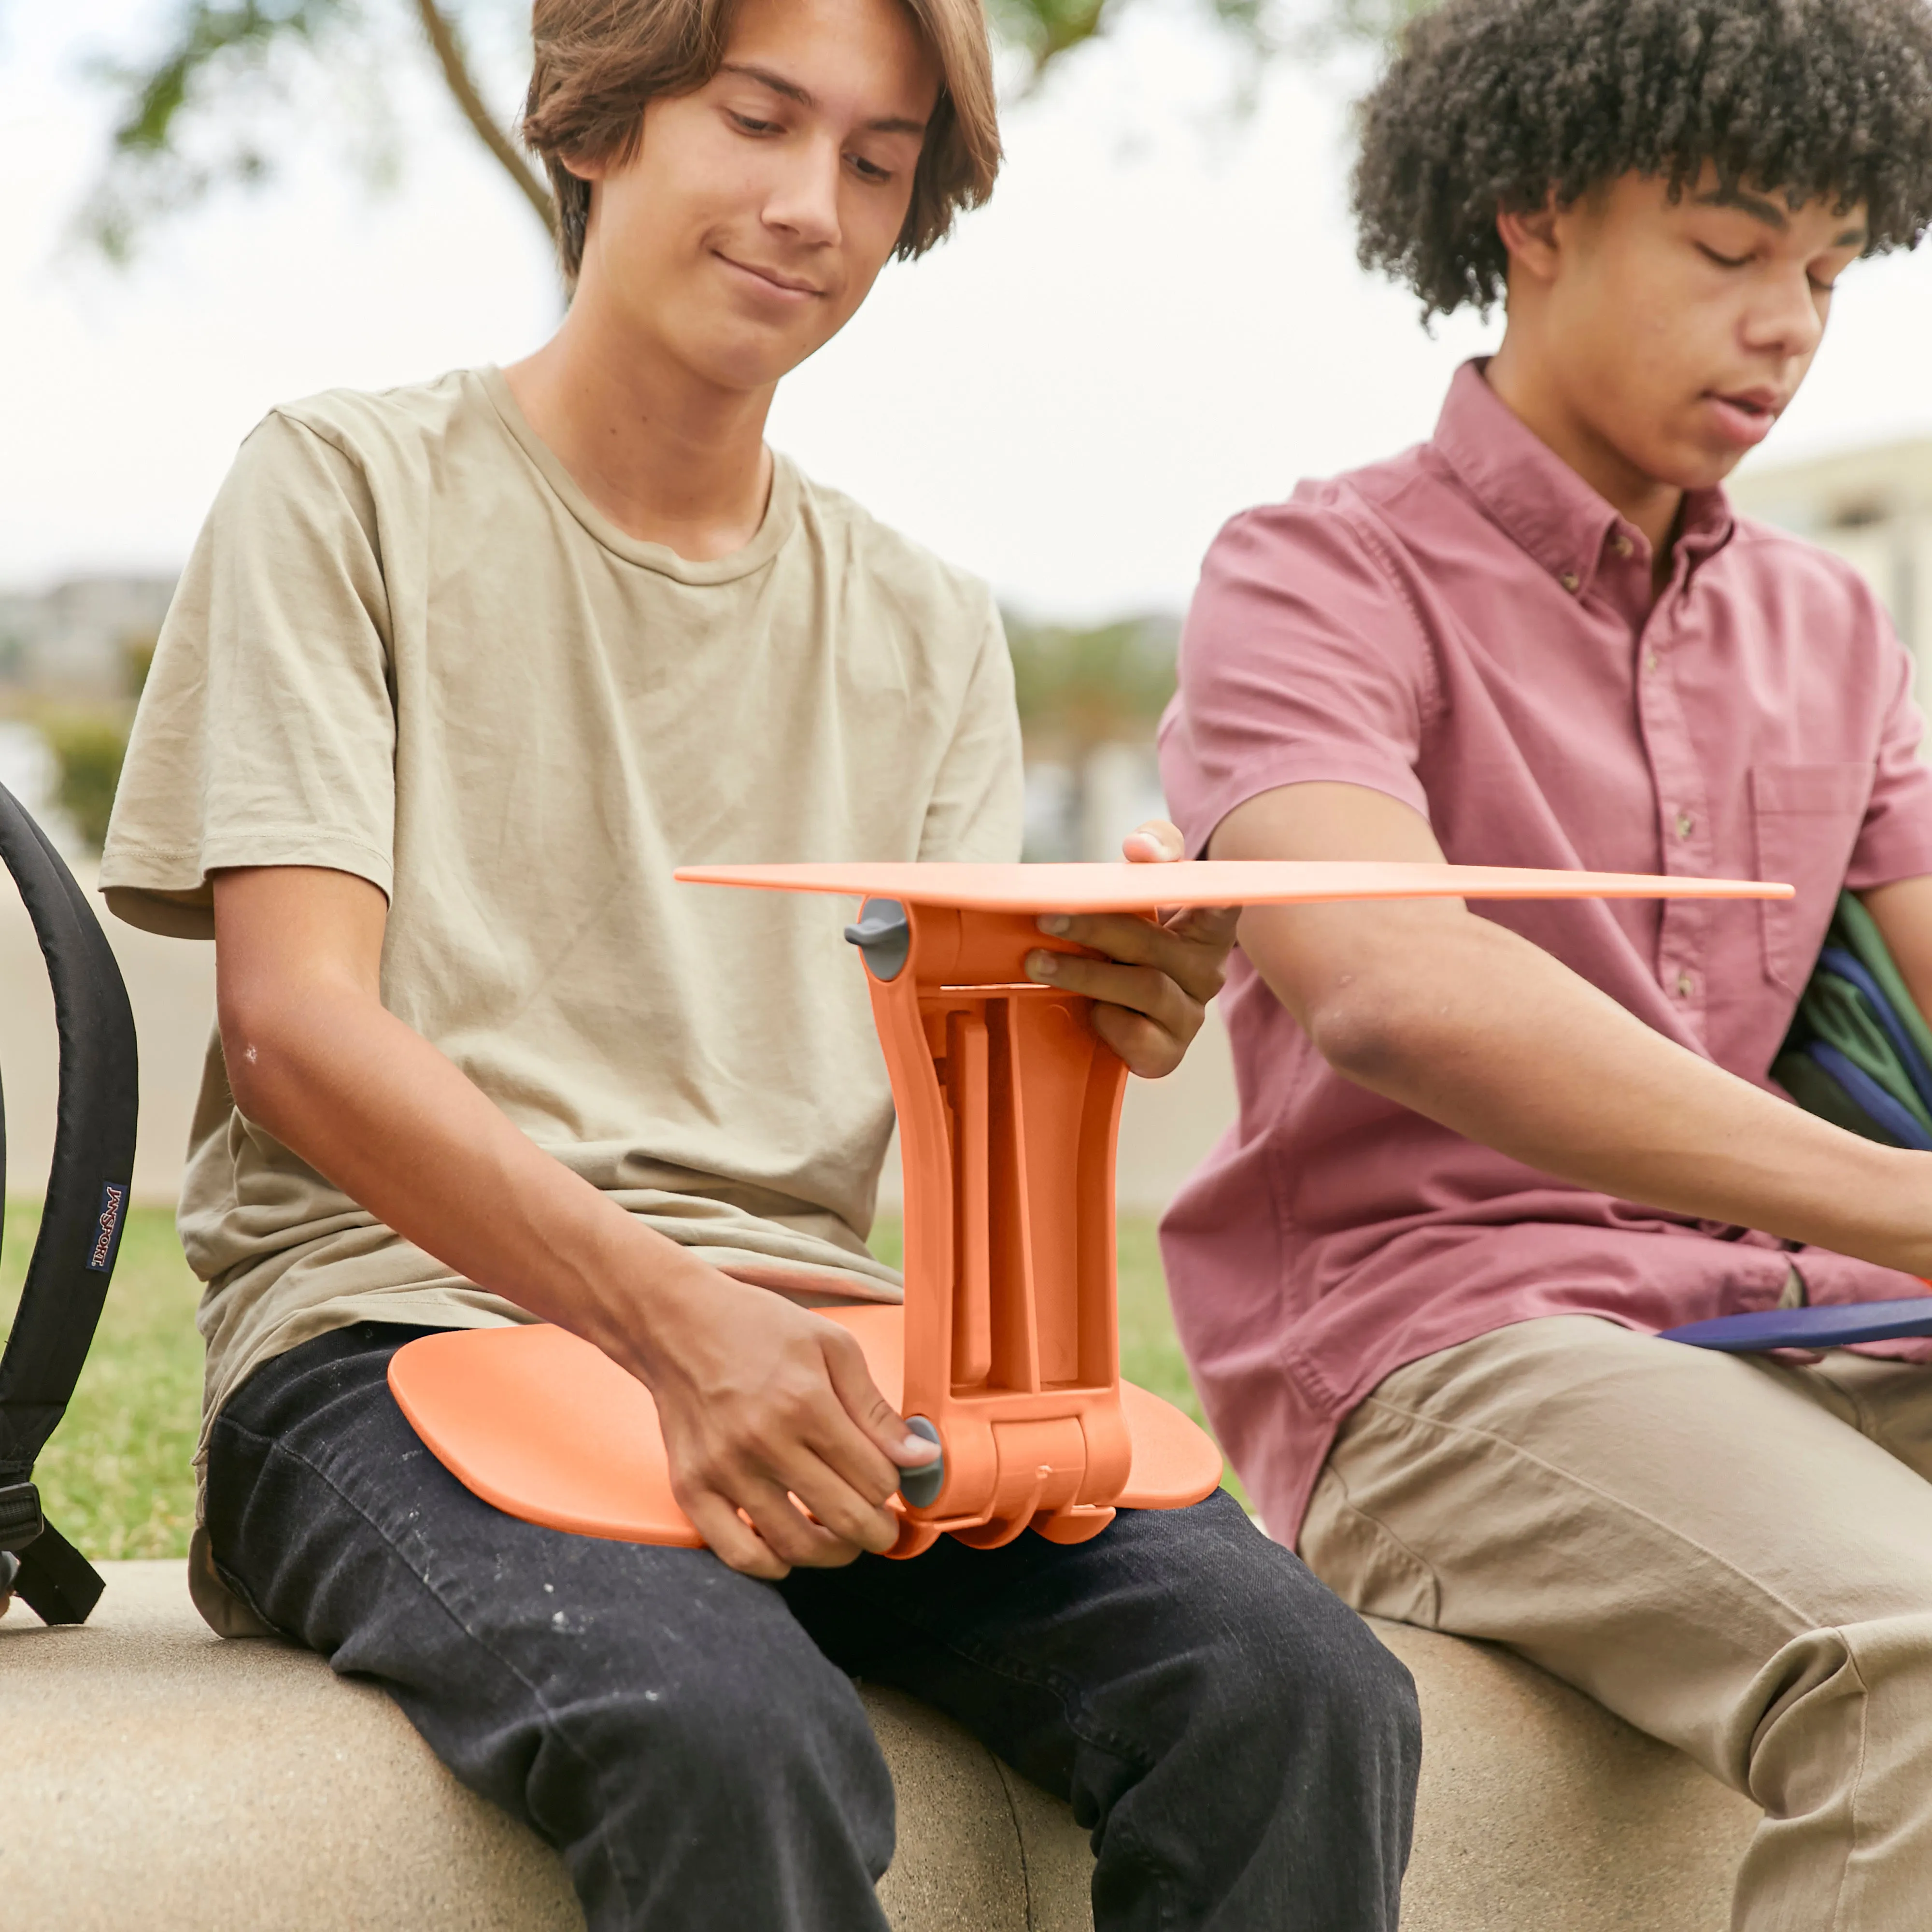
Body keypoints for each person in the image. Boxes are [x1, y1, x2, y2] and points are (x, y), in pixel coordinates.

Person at [87, 0, 1421, 1925]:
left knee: (1301, 1692)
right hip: (386, 1336)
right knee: (723, 1723)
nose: (813, 207)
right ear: (599, 117)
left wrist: (1091, 1001)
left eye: (876, 164)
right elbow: (296, 1032)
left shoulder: (925, 623)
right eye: (757, 121)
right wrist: (677, 1331)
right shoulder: (342, 490)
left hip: (824, 1357)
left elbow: (950, 1075)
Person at [1155, 0, 1932, 1923]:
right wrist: (1903, 1201)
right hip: (1441, 1352)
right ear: (1530, 211)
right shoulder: (1313, 576)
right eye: (1731, 247)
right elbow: (1394, 987)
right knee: (1916, 1660)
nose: (1787, 324)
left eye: (1827, 272)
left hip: (1800, 1328)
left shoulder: (1833, 628)